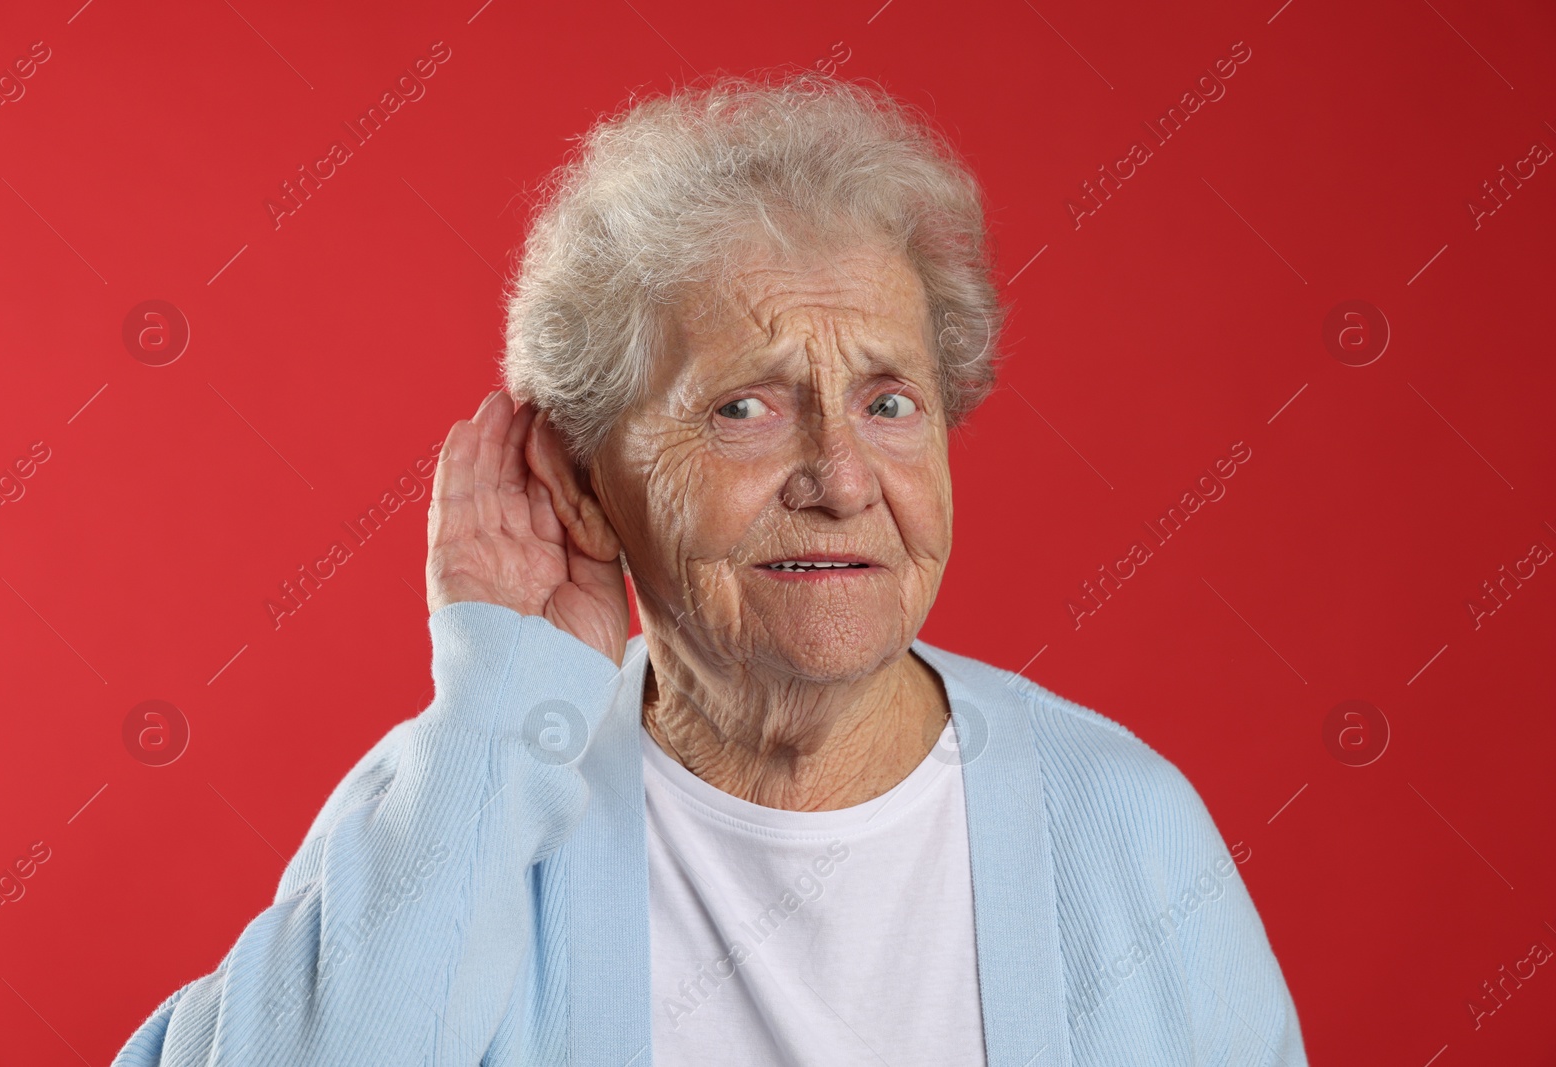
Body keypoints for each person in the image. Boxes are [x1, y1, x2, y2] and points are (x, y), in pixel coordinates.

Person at [114, 72, 1306, 1066]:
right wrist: (494, 705)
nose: (841, 476)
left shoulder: (1117, 824)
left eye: (890, 400)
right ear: (581, 474)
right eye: (745, 406)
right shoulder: (470, 794)